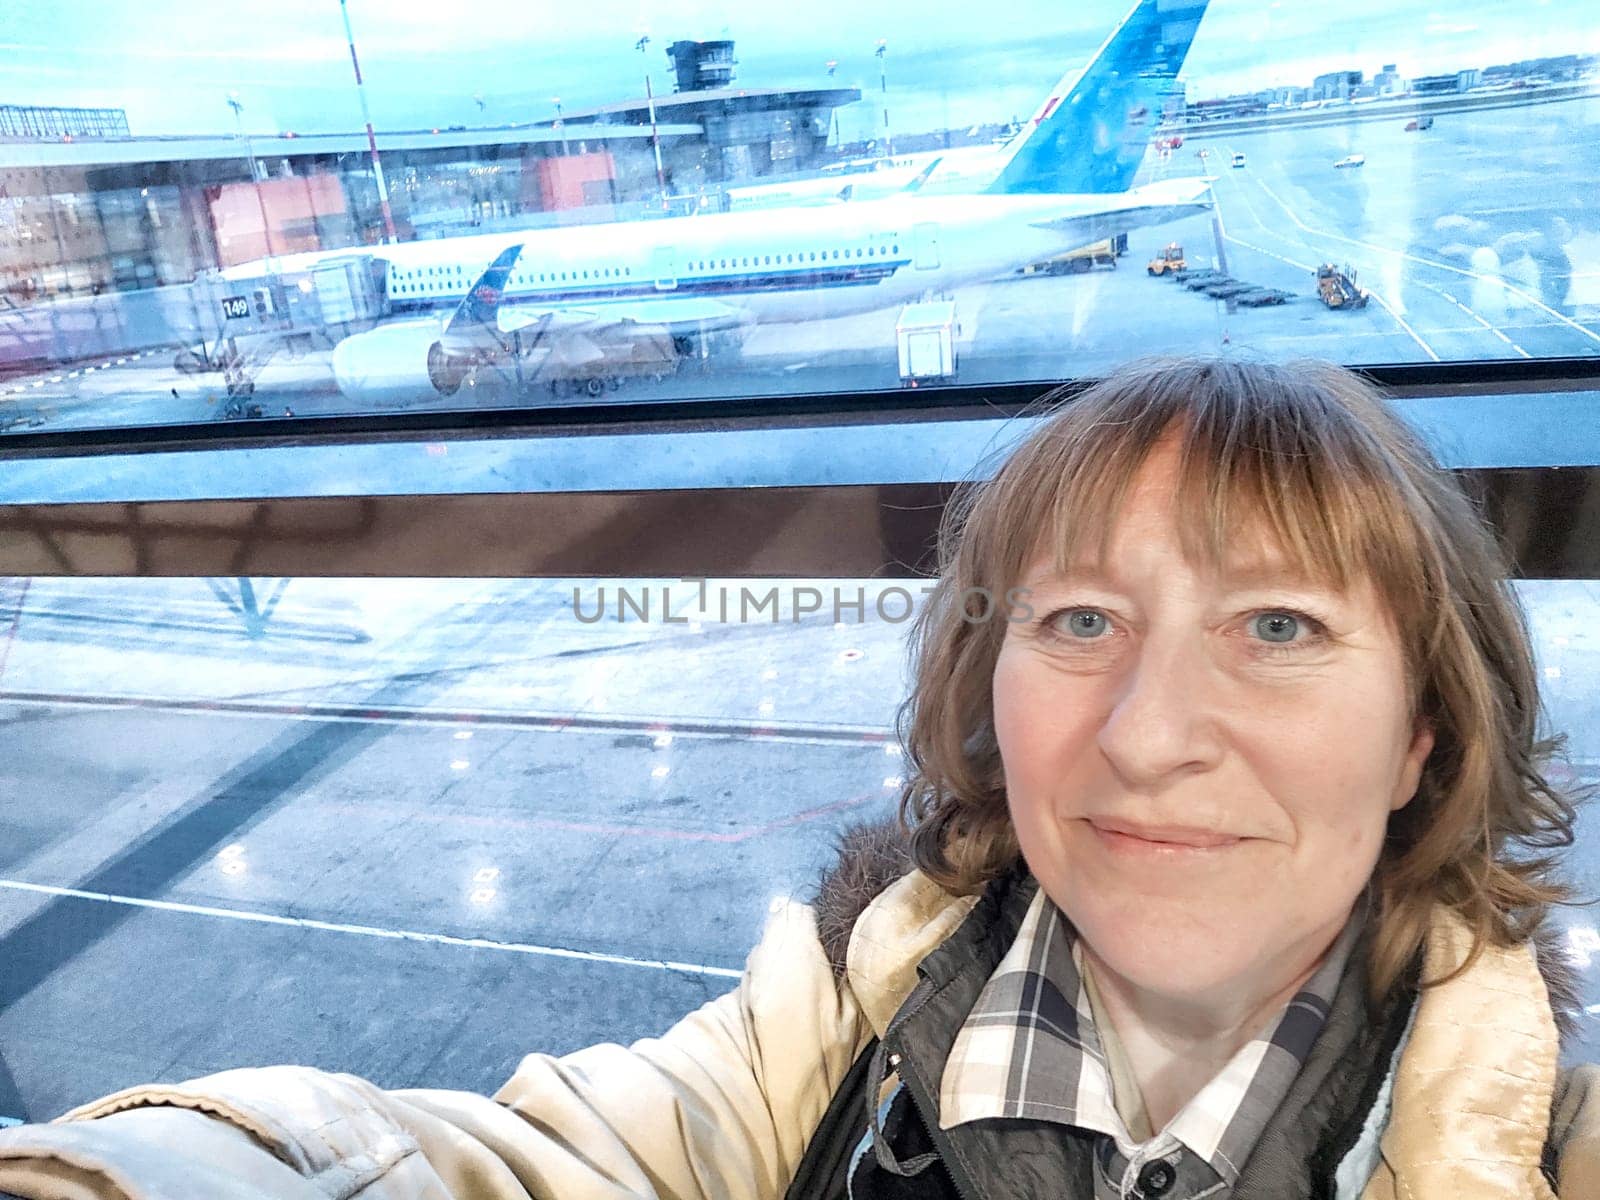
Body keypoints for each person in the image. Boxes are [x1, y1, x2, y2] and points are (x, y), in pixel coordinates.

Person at [2, 356, 1598, 1199]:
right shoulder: (834, 1026)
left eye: (1278, 624)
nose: (1145, 730)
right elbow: (514, 1161)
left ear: (1424, 738)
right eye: (1082, 619)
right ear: (994, 691)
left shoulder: (1554, 1133)